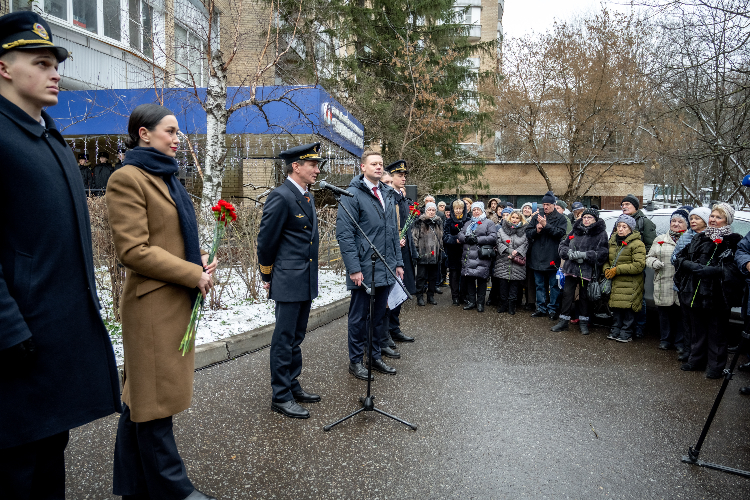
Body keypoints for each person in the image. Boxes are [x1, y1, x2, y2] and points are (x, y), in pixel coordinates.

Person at [0, 12, 122, 498]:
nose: (55, 73)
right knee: (17, 467)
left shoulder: (49, 136)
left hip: (53, 338)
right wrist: (7, 329)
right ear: (4, 67)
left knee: (49, 459)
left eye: (56, 64)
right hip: (17, 343)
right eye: (41, 63)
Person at [106, 103, 217, 499]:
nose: (177, 138)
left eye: (177, 132)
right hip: (152, 307)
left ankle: (133, 486)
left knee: (142, 397)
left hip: (171, 301)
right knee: (153, 401)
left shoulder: (166, 176)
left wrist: (195, 258)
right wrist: (191, 273)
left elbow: (168, 237)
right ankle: (175, 490)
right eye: (170, 131)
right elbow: (133, 251)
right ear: (144, 133)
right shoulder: (127, 178)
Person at [257, 142, 323, 419]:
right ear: (296, 166)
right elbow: (266, 241)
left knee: (296, 337)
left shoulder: (306, 196)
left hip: (304, 279)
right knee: (284, 340)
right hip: (287, 279)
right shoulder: (281, 196)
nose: (317, 170)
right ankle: (281, 395)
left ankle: (292, 384)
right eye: (313, 165)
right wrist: (267, 274)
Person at [336, 152, 404, 380]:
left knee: (378, 316)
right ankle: (356, 361)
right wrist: (354, 268)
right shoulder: (352, 194)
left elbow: (393, 232)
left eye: (381, 164)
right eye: (373, 164)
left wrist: (398, 262)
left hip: (386, 266)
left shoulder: (387, 193)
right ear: (363, 167)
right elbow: (345, 234)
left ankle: (374, 357)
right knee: (359, 317)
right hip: (365, 268)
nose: (378, 167)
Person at [674, 203, 743, 378]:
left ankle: (716, 366)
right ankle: (696, 360)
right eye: (712, 216)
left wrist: (714, 271)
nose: (713, 219)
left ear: (727, 220)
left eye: (718, 217)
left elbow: (735, 268)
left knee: (717, 332)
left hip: (718, 295)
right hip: (695, 292)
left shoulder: (733, 240)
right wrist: (691, 266)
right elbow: (680, 257)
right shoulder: (699, 237)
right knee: (697, 330)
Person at [552, 208, 608, 334]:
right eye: (584, 217)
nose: (586, 220)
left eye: (589, 217)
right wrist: (568, 253)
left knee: (584, 297)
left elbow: (603, 253)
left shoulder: (601, 233)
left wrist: (585, 255)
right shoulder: (575, 230)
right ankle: (563, 321)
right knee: (567, 295)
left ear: (595, 219)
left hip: (587, 270)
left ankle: (584, 323)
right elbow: (563, 245)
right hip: (571, 268)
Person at [383, 159, 417, 348]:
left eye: (404, 176)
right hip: (393, 252)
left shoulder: (402, 198)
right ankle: (386, 331)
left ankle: (394, 328)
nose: (403, 178)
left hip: (404, 251)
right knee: (390, 295)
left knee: (400, 292)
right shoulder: (389, 198)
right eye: (399, 175)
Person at [646, 208, 688, 351]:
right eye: (673, 221)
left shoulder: (690, 239)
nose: (676, 224)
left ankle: (679, 342)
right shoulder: (660, 239)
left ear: (687, 224)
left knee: (681, 314)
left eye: (680, 221)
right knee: (664, 313)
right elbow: (649, 257)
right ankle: (665, 340)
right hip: (663, 281)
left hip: (682, 284)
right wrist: (654, 262)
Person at [672, 207, 708, 362]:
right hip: (685, 284)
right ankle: (688, 350)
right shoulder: (685, 236)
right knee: (686, 320)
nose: (693, 221)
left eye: (697, 218)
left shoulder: (711, 237)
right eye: (691, 218)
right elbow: (674, 258)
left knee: (699, 322)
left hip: (702, 285)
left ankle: (698, 353)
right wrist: (685, 263)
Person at [525, 191, 568, 320]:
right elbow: (528, 233)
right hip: (537, 256)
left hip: (552, 257)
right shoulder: (537, 216)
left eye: (548, 204)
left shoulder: (561, 218)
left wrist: (546, 225)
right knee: (539, 285)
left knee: (554, 285)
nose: (545, 207)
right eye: (544, 204)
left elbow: (560, 233)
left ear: (554, 205)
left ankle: (552, 309)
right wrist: (536, 230)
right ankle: (541, 308)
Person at [603, 214, 646, 343]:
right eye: (618, 226)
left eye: (624, 227)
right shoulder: (612, 242)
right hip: (615, 282)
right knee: (616, 308)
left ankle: (626, 332)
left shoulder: (638, 244)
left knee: (628, 309)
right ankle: (615, 329)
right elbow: (606, 260)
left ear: (631, 229)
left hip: (630, 282)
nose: (620, 229)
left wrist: (617, 270)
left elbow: (639, 265)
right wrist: (606, 269)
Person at [619, 193, 657, 338]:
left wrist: (637, 256)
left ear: (635, 206)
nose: (624, 206)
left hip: (636, 265)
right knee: (623, 296)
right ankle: (624, 326)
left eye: (627, 204)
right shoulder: (620, 221)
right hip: (621, 265)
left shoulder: (644, 222)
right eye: (623, 204)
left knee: (638, 296)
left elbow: (651, 245)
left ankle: (639, 326)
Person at [458, 202, 497, 312]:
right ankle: (471, 302)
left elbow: (493, 237)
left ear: (482, 210)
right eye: (474, 210)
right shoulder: (468, 223)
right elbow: (460, 234)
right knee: (470, 280)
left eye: (478, 209)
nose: (476, 212)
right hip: (469, 256)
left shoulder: (488, 223)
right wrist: (466, 238)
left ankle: (480, 303)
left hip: (481, 256)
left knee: (481, 281)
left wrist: (477, 239)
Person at [493, 210, 529, 314]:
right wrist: (509, 250)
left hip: (517, 262)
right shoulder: (501, 230)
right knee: (503, 286)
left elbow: (526, 243)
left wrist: (516, 252)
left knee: (514, 286)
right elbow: (498, 242)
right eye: (513, 217)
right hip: (503, 261)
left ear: (521, 219)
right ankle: (503, 304)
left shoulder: (524, 231)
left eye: (517, 218)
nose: (515, 220)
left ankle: (512, 306)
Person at [412, 201, 444, 306]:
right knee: (421, 277)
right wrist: (416, 251)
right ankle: (419, 296)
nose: (431, 212)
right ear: (426, 211)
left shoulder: (438, 222)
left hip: (435, 255)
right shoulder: (419, 222)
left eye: (433, 210)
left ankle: (431, 296)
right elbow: (414, 238)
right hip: (423, 254)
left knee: (433, 277)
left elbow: (441, 238)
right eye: (429, 210)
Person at [444, 199, 469, 306]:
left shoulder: (468, 220)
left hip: (465, 252)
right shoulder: (449, 222)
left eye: (460, 208)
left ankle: (463, 296)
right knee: (454, 276)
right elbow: (445, 236)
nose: (458, 210)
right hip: (453, 253)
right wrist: (455, 240)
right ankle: (455, 297)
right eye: (456, 208)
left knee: (464, 276)